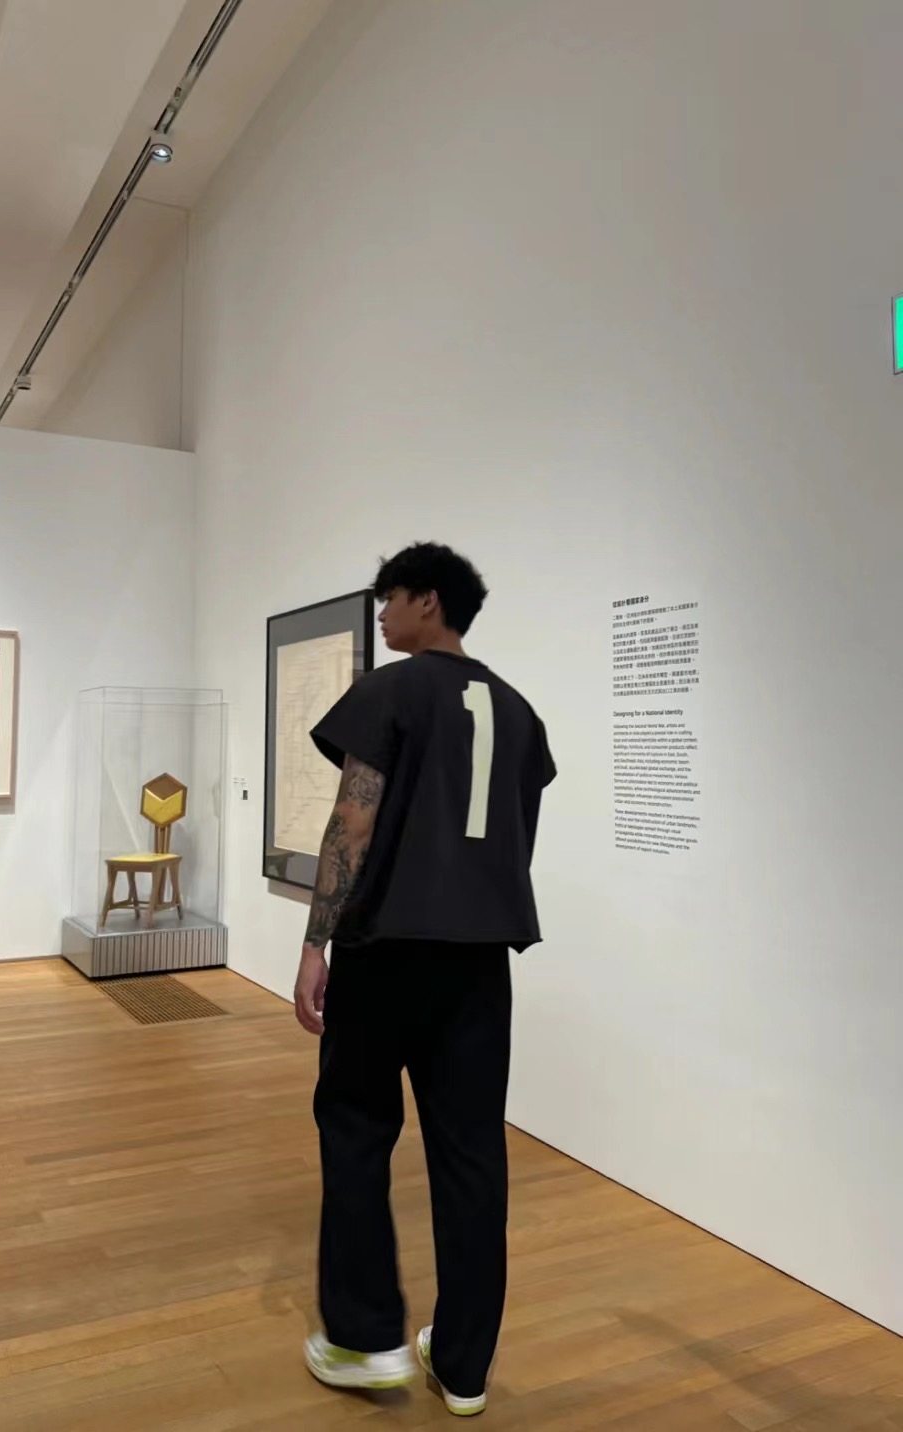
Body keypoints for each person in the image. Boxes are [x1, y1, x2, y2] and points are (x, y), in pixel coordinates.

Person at [295, 542, 557, 1417]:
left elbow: (352, 824)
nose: (382, 613)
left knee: (357, 1131)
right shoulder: (520, 714)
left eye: (391, 597)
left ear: (430, 601)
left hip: (385, 952)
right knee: (473, 1155)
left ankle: (364, 1339)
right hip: (479, 965)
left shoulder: (389, 693)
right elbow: (517, 839)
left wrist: (315, 944)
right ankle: (465, 1365)